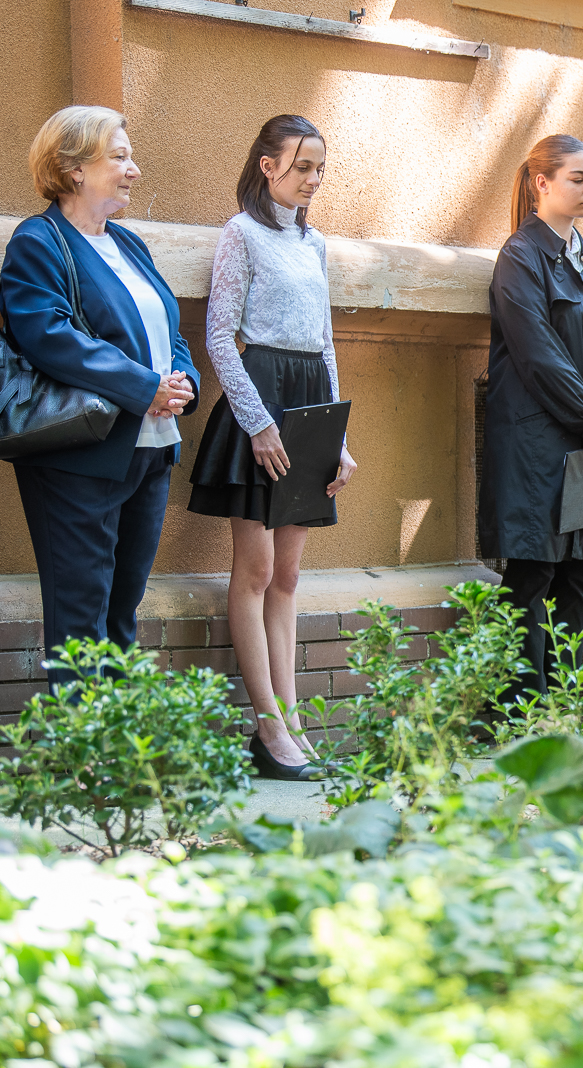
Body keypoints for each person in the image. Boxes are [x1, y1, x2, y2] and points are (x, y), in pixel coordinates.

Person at [1, 106, 199, 687]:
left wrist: (182, 379)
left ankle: (117, 740)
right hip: (81, 459)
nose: (133, 169)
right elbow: (48, 335)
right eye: (119, 157)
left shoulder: (129, 244)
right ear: (73, 168)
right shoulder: (39, 241)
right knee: (80, 624)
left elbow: (170, 329)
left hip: (150, 451)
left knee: (121, 616)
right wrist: (144, 387)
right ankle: (79, 747)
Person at [187, 115, 357, 780]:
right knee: (255, 572)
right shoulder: (241, 233)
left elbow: (325, 342)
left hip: (309, 401)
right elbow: (219, 336)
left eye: (320, 169)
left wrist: (337, 437)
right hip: (260, 401)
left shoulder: (314, 243)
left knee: (288, 578)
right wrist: (257, 424)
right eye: (303, 166)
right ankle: (268, 728)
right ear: (268, 165)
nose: (314, 180)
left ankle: (292, 727)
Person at [480, 135, 583, 699]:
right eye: (578, 178)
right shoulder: (520, 256)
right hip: (537, 444)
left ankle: (564, 708)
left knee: (577, 577)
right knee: (532, 575)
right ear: (542, 183)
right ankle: (521, 715)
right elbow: (538, 355)